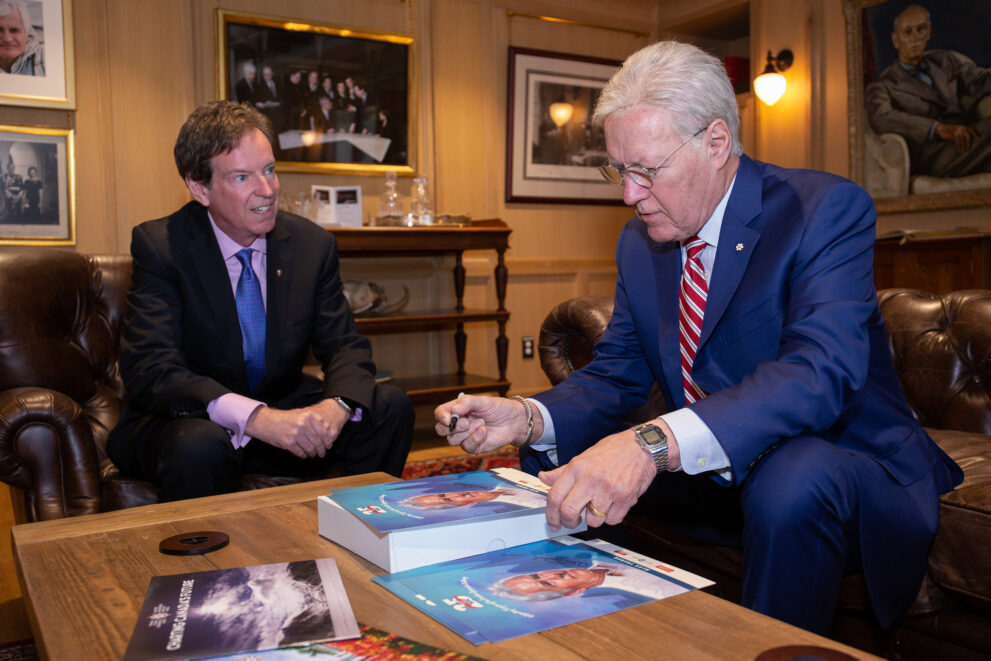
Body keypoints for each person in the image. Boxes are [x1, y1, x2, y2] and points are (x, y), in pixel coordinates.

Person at [435, 40, 963, 635]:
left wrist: (650, 443)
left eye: (646, 171)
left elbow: (821, 373)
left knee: (794, 474)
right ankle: (588, 633)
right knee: (567, 451)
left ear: (716, 143)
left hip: (846, 460)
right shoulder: (643, 241)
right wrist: (526, 417)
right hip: (722, 464)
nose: (628, 195)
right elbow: (618, 372)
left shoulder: (823, 209)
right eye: (618, 170)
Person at [107, 101, 413, 502]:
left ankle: (359, 527)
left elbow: (344, 345)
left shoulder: (310, 245)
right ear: (200, 187)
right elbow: (152, 367)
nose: (267, 190)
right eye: (242, 177)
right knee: (199, 445)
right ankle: (211, 564)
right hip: (189, 418)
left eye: (269, 170)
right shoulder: (162, 247)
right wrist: (255, 419)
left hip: (281, 405)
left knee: (389, 406)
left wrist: (335, 406)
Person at [865, 4, 991, 178]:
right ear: (895, 40)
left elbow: (980, 80)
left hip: (969, 137)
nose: (915, 37)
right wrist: (937, 128)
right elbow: (882, 117)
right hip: (933, 155)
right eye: (907, 32)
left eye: (920, 29)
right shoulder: (883, 85)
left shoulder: (945, 61)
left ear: (929, 32)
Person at [490, 563, 682, 602]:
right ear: (571, 593)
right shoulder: (657, 589)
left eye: (537, 575)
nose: (553, 575)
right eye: (548, 584)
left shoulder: (590, 553)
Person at [402, 487, 546, 510]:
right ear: (461, 506)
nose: (456, 495)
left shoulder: (500, 484)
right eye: (449, 500)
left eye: (443, 495)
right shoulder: (525, 505)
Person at [0, 0, 43, 76]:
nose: (7, 39)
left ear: (27, 34)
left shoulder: (44, 60)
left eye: (14, 30)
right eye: (0, 30)